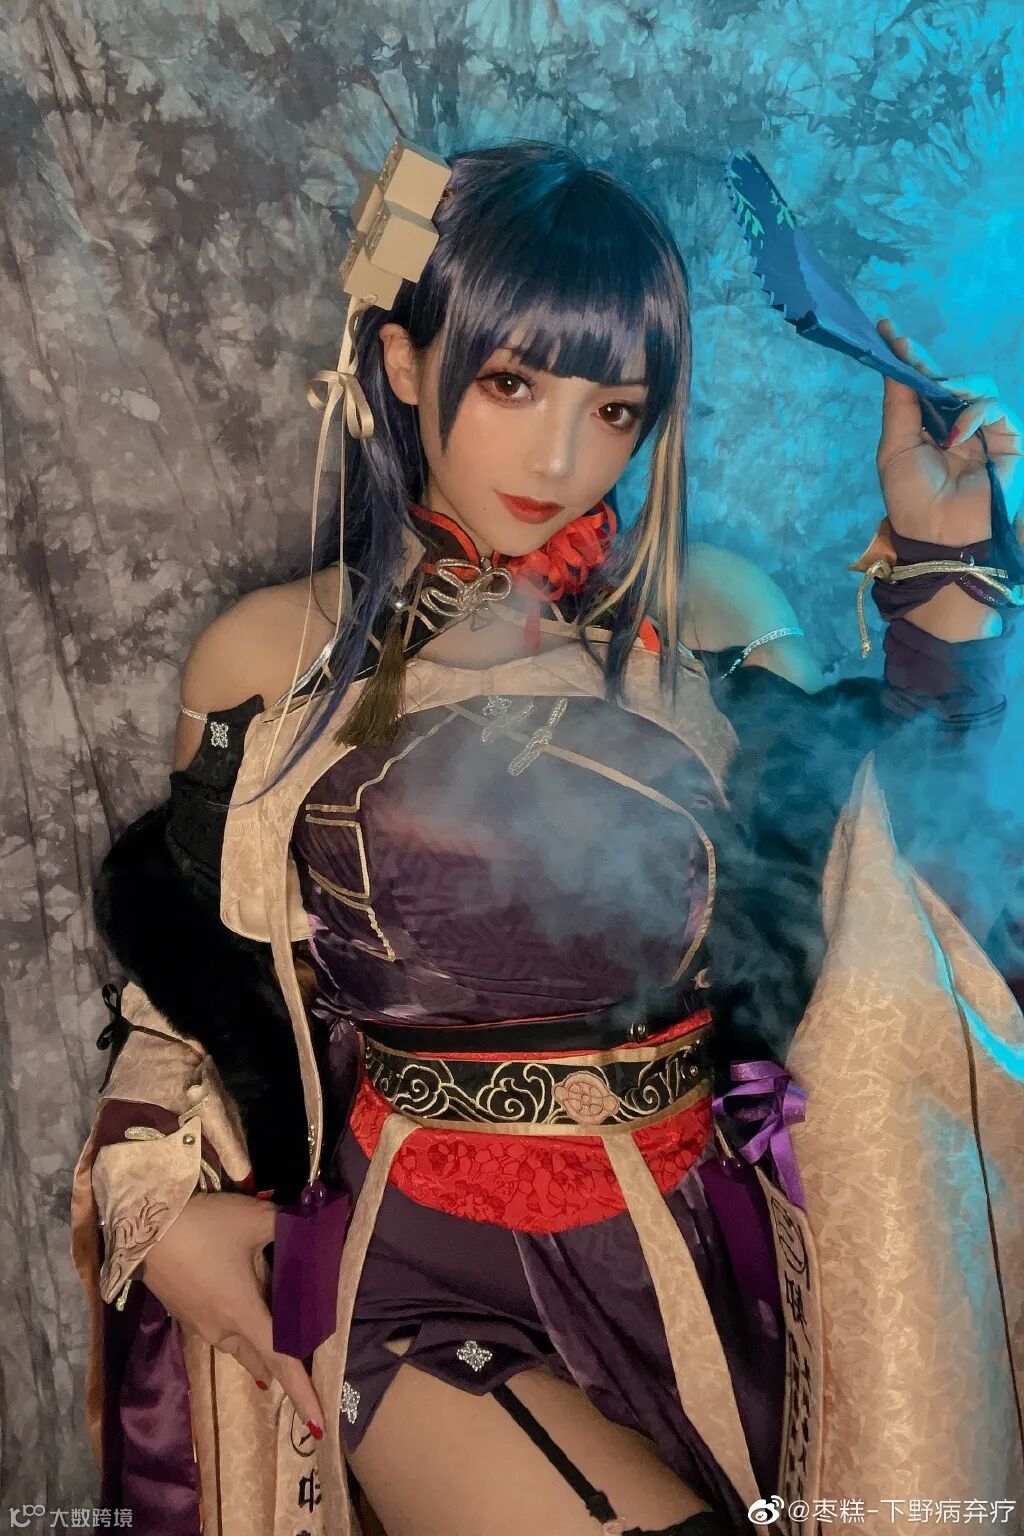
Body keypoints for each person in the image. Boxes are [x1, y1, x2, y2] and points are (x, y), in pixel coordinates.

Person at [71, 137, 1024, 1536]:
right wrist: (150, 1201)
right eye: (512, 384)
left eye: (615, 408)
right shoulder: (270, 657)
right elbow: (192, 989)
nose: (563, 456)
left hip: (706, 1266)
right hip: (412, 1278)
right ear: (405, 363)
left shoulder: (709, 621)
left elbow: (914, 877)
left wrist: (947, 570)